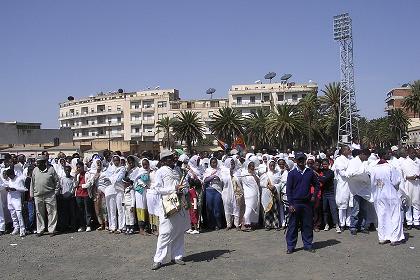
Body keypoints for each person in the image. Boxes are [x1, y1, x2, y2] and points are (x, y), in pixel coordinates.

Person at [152, 150, 190, 270]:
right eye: (168, 158)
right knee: (165, 232)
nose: (171, 159)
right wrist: (173, 188)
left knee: (179, 231)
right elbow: (157, 189)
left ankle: (177, 256)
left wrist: (182, 189)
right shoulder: (160, 171)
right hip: (168, 203)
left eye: (171, 157)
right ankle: (158, 259)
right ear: (163, 161)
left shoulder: (178, 170)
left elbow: (185, 184)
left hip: (179, 202)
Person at [286, 152, 319, 254]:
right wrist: (290, 204)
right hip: (295, 203)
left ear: (305, 160)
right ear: (295, 160)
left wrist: (314, 196)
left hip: (307, 203)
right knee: (293, 226)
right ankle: (291, 246)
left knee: (307, 225)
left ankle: (308, 244)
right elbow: (289, 190)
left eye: (302, 159)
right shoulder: (291, 174)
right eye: (299, 159)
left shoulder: (310, 172)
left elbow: (317, 185)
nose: (301, 161)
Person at [370, 150, 405, 245]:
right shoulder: (390, 167)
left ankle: (382, 237)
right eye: (388, 153)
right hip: (391, 195)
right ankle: (394, 238)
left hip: (379, 195)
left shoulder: (373, 168)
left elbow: (373, 183)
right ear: (383, 155)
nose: (390, 154)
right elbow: (395, 181)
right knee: (395, 215)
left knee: (382, 216)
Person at [30, 155, 60, 237]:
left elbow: (57, 181)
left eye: (39, 163)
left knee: (52, 212)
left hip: (50, 195)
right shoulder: (35, 170)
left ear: (44, 162)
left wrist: (56, 191)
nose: (37, 164)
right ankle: (40, 229)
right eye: (37, 163)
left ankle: (51, 230)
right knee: (39, 213)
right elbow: (32, 182)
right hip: (38, 195)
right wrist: (31, 194)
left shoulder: (51, 170)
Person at [346, 149, 372, 235]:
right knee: (356, 209)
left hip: (364, 189)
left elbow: (368, 171)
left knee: (364, 209)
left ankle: (362, 226)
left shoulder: (365, 162)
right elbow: (349, 173)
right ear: (362, 154)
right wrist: (360, 174)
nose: (367, 159)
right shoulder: (353, 162)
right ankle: (353, 227)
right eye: (366, 156)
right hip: (355, 189)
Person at [401, 147, 420, 230]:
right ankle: (409, 222)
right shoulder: (404, 162)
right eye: (411, 153)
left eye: (414, 153)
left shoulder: (418, 161)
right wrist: (408, 177)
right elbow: (401, 173)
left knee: (417, 202)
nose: (413, 154)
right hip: (408, 184)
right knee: (408, 203)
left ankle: (417, 221)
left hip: (417, 184)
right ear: (408, 153)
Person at [333, 145, 352, 230]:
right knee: (342, 204)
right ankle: (342, 223)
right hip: (343, 185)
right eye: (348, 150)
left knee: (349, 205)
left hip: (351, 185)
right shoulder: (338, 160)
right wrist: (351, 173)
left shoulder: (351, 159)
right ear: (344, 151)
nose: (350, 151)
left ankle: (348, 223)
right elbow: (342, 172)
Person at [319, 159, 340, 233]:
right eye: (323, 164)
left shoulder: (331, 172)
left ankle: (337, 225)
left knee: (333, 209)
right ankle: (326, 224)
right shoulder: (321, 171)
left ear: (328, 164)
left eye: (326, 164)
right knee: (325, 209)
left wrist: (318, 176)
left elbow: (324, 180)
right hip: (323, 193)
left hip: (330, 193)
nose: (324, 165)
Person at [203, 157, 224, 230]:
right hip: (209, 190)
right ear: (210, 163)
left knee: (217, 208)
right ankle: (211, 224)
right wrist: (213, 177)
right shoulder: (208, 170)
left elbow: (222, 179)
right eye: (212, 162)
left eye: (215, 162)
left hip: (217, 191)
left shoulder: (220, 170)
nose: (214, 164)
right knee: (209, 208)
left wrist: (217, 177)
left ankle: (218, 224)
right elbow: (205, 180)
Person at [4, 168, 27, 237]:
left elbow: (24, 189)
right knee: (13, 214)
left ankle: (22, 229)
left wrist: (15, 189)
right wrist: (8, 188)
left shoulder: (19, 179)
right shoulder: (10, 180)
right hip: (10, 198)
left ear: (13, 174)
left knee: (19, 214)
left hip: (17, 199)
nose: (10, 177)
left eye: (10, 176)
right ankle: (16, 228)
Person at [240, 156, 260, 231]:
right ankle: (243, 224)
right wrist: (250, 174)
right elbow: (246, 183)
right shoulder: (244, 173)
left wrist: (253, 174)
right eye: (251, 166)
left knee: (253, 209)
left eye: (253, 166)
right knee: (249, 209)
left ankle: (249, 223)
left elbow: (258, 180)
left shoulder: (254, 173)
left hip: (255, 193)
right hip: (249, 194)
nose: (252, 167)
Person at [260, 160, 281, 230]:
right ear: (268, 166)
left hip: (274, 193)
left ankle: (276, 225)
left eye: (273, 165)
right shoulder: (265, 174)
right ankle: (268, 225)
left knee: (275, 209)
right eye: (271, 165)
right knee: (267, 210)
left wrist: (275, 186)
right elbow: (261, 183)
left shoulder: (277, 173)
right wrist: (267, 185)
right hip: (267, 194)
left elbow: (280, 183)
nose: (272, 167)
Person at [74, 161, 94, 232]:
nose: (78, 169)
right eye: (77, 167)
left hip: (86, 194)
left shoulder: (88, 174)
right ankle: (82, 225)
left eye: (79, 167)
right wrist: (75, 177)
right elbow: (75, 184)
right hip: (78, 194)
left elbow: (89, 183)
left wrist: (81, 185)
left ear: (83, 167)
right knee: (80, 211)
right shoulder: (77, 175)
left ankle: (88, 225)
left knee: (87, 210)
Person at [59, 165, 77, 232]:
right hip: (64, 197)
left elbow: (74, 187)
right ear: (64, 171)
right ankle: (64, 227)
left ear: (70, 171)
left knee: (72, 212)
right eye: (66, 170)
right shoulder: (62, 179)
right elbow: (60, 187)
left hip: (71, 197)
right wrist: (62, 195)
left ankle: (73, 227)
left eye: (68, 170)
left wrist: (71, 194)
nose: (67, 172)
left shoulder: (72, 178)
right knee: (64, 213)